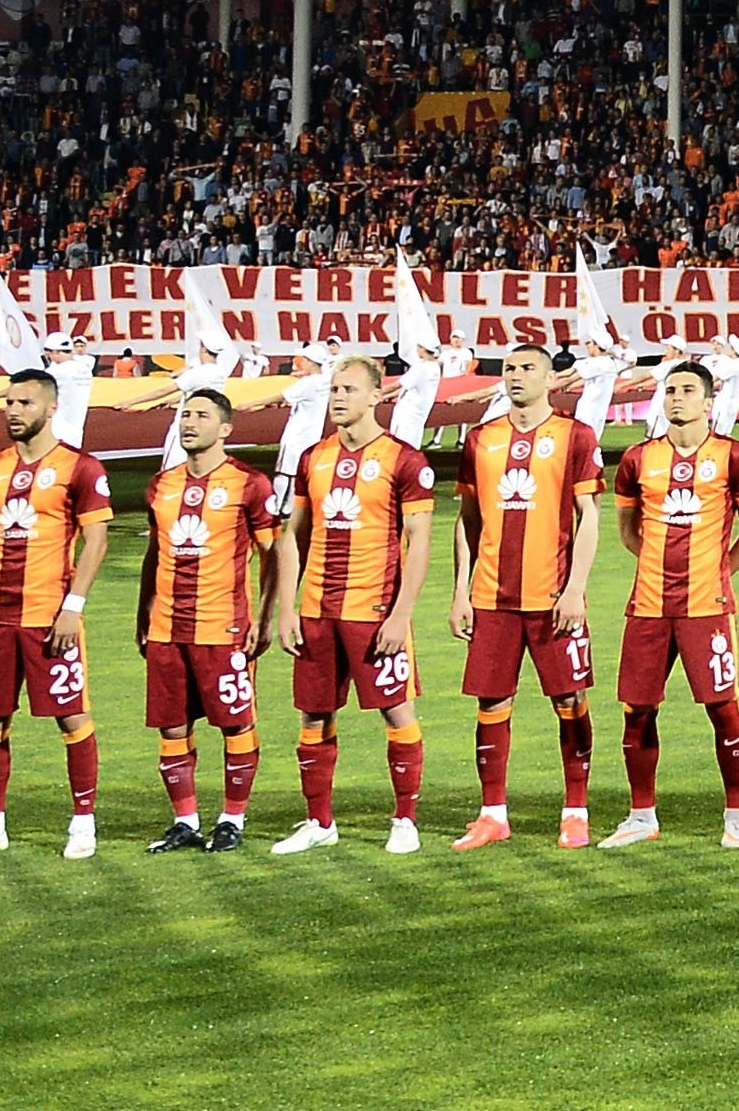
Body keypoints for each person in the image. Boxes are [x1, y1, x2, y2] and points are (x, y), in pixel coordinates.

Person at [264, 355, 436, 854]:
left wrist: (401, 615)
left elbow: (419, 540)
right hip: (317, 611)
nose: (337, 398)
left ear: (375, 397)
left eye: (347, 389)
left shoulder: (405, 460)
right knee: (313, 715)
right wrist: (287, 608)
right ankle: (319, 823)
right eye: (334, 389)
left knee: (396, 711)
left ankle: (405, 820)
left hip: (374, 609)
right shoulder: (312, 458)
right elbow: (291, 538)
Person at [597, 362, 739, 849]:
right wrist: (655, 564)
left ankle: (736, 815)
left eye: (687, 391)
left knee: (722, 708)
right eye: (669, 390)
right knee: (637, 710)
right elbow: (629, 529)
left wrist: (718, 573)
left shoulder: (734, 456)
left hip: (706, 607)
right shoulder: (637, 460)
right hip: (648, 605)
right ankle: (641, 815)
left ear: (708, 402)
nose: (676, 399)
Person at [450, 347, 606, 851]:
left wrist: (576, 588)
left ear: (550, 379)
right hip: (492, 595)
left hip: (552, 595)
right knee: (492, 702)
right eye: (511, 370)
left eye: (528, 370)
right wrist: (460, 592)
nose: (516, 377)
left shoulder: (574, 435)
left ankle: (576, 809)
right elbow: (467, 521)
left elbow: (589, 517)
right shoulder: (480, 439)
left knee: (570, 699)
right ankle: (493, 813)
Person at [0, 367, 111, 857]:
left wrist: (74, 607)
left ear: (50, 407)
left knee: (71, 717)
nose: (14, 411)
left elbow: (96, 541)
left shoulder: (80, 468)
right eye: (10, 403)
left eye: (25, 403)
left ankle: (83, 823)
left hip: (50, 617)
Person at [134, 386, 273, 852]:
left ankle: (232, 819)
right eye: (185, 414)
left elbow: (273, 554)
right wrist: (143, 613)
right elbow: (154, 555)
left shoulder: (248, 484)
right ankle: (185, 821)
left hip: (223, 627)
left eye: (201, 416)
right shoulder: (162, 485)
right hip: (167, 627)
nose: (189, 422)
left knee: (235, 723)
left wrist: (267, 616)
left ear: (225, 429)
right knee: (172, 727)